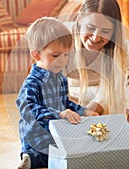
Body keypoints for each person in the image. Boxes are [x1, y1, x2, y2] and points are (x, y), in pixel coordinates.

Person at [16, 17, 99, 169]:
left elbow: (65, 103)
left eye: (66, 55)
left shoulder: (60, 78)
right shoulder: (32, 83)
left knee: (72, 150)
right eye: (55, 55)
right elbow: (28, 110)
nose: (62, 61)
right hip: (36, 137)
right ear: (36, 55)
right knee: (37, 155)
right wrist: (59, 114)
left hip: (56, 135)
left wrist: (84, 111)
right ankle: (28, 159)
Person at [65, 0, 129, 115]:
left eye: (105, 31)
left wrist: (88, 112)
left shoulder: (118, 49)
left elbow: (107, 97)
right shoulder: (62, 41)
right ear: (80, 19)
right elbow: (50, 95)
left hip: (94, 111)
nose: (95, 37)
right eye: (90, 27)